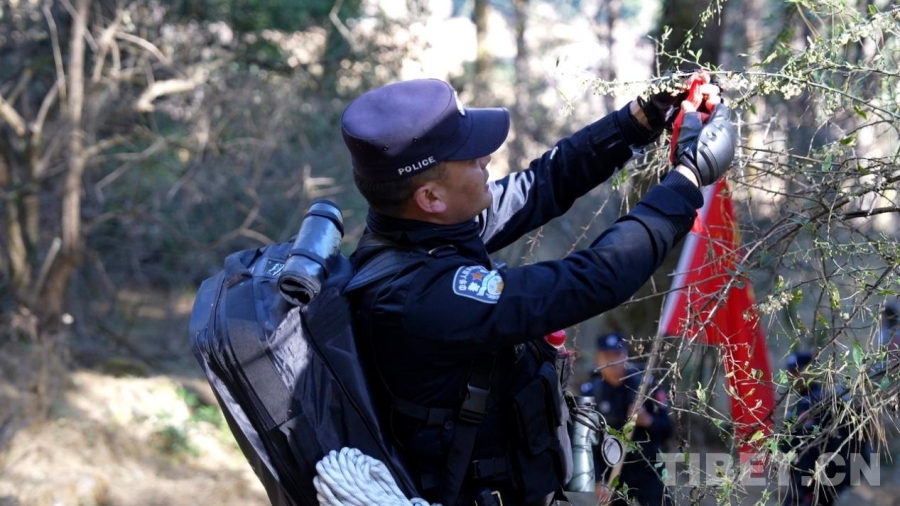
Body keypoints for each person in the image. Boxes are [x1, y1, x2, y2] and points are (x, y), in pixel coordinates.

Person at [341, 76, 736, 506]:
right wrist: (687, 180)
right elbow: (593, 278)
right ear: (431, 196)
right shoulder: (422, 297)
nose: (487, 158)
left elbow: (543, 183)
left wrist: (639, 120)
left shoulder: (417, 229)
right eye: (470, 158)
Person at [581, 332, 674, 506]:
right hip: (613, 474)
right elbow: (585, 442)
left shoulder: (646, 386)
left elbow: (668, 429)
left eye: (617, 354)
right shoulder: (590, 393)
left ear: (626, 355)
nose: (613, 361)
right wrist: (598, 480)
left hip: (649, 469)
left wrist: (648, 421)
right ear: (597, 359)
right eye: (607, 355)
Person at [780, 351, 869, 506]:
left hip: (819, 482)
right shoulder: (799, 404)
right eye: (791, 373)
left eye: (797, 371)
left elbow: (840, 443)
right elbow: (787, 445)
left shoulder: (823, 403)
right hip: (803, 482)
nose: (793, 377)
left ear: (812, 371)